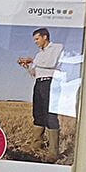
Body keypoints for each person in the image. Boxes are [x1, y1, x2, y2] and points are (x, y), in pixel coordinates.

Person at [17, 27, 63, 162]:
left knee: (50, 116)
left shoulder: (57, 48)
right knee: (38, 114)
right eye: (34, 40)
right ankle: (36, 145)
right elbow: (35, 74)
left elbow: (51, 63)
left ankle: (53, 152)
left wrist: (32, 60)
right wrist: (27, 67)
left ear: (45, 37)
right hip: (39, 83)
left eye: (37, 39)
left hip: (51, 83)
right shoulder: (38, 55)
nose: (35, 42)